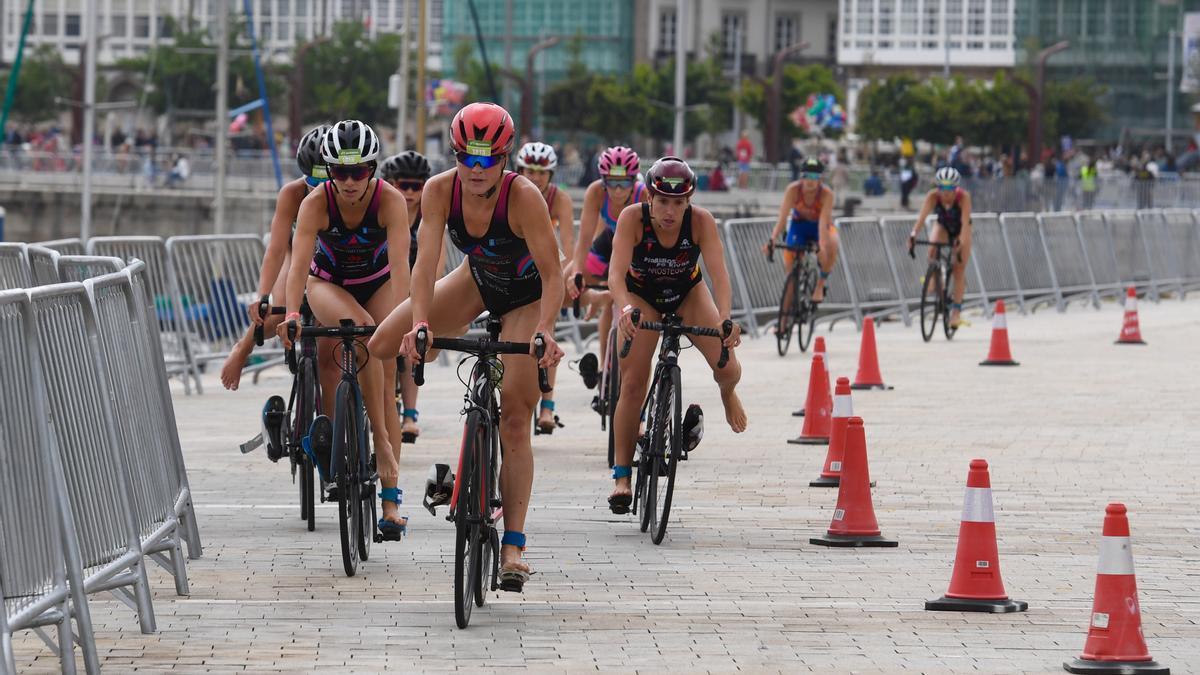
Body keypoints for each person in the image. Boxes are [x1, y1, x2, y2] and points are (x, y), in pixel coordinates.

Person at [368, 102, 565, 589]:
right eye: (467, 159)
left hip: (525, 294)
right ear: (455, 155)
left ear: (505, 157)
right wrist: (419, 324)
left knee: (516, 419)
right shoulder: (440, 190)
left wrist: (545, 330)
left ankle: (514, 547)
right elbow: (426, 262)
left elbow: (554, 272)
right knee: (381, 342)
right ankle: (388, 452)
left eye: (488, 159)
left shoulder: (523, 198)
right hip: (476, 278)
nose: (477, 170)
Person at [277, 120, 412, 541]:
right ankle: (375, 446)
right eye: (339, 172)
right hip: (328, 283)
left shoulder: (390, 202)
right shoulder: (315, 203)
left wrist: (411, 322)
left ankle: (390, 497)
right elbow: (298, 266)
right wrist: (290, 313)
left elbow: (403, 270)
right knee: (362, 329)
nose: (350, 182)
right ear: (329, 171)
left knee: (384, 362)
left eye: (359, 172)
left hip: (379, 282)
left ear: (372, 169)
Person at [604, 156, 747, 513]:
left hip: (687, 293)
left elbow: (720, 275)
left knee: (729, 367)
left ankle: (726, 393)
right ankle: (622, 475)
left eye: (678, 203)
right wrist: (623, 309)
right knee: (634, 384)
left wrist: (726, 319)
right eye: (663, 202)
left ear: (689, 202)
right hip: (641, 297)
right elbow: (615, 276)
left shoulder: (701, 223)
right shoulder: (632, 219)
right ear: (649, 197)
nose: (670, 212)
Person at [221, 124, 333, 392]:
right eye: (313, 182)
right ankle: (242, 347)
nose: (319, 191)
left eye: (326, 183)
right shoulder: (292, 194)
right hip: (298, 254)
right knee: (274, 311)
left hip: (335, 258)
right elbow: (276, 250)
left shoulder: (351, 192)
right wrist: (262, 297)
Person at [567, 146, 648, 390]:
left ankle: (606, 299)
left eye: (624, 183)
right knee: (565, 280)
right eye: (612, 183)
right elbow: (584, 239)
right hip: (609, 241)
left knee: (621, 299)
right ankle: (604, 369)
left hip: (637, 248)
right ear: (603, 181)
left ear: (634, 181)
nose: (618, 190)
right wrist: (576, 273)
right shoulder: (596, 193)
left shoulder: (643, 195)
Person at [378, 150, 444, 443]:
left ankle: (410, 414)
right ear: (389, 183)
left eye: (416, 186)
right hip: (384, 284)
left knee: (411, 349)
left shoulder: (429, 214)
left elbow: (436, 265)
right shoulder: (382, 210)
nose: (409, 193)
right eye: (402, 185)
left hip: (416, 289)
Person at [514, 141, 576, 434]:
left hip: (548, 263)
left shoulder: (559, 199)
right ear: (520, 170)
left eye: (541, 172)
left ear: (550, 175)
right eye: (530, 171)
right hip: (515, 263)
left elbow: (568, 246)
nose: (536, 177)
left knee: (547, 333)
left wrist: (561, 278)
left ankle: (547, 405)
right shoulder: (512, 192)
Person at [765, 157, 840, 303]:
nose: (810, 180)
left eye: (814, 177)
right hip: (799, 225)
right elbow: (782, 218)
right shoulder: (793, 190)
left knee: (832, 243)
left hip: (820, 226)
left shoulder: (826, 194)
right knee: (790, 264)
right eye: (806, 176)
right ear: (801, 178)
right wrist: (773, 238)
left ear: (820, 179)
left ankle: (820, 285)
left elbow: (823, 222)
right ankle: (784, 322)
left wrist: (822, 246)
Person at [908, 167, 973, 328]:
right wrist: (913, 234)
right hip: (943, 226)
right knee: (932, 249)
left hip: (960, 228)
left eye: (950, 188)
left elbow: (965, 223)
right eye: (942, 188)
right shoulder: (933, 196)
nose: (946, 192)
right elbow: (922, 218)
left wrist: (961, 243)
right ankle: (938, 282)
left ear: (956, 188)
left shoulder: (963, 198)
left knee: (958, 268)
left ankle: (956, 314)